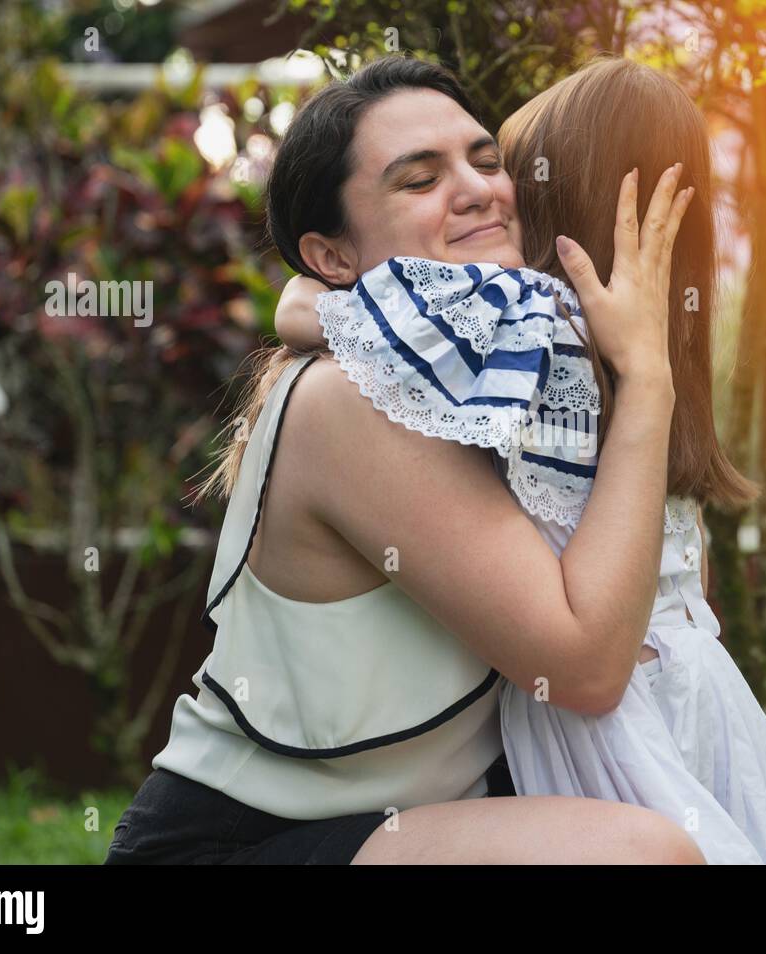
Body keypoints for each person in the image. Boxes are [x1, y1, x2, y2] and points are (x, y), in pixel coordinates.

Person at [104, 54, 703, 865]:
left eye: (487, 161)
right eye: (418, 180)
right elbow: (586, 670)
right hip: (245, 844)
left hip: (413, 824)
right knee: (637, 856)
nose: (478, 189)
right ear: (332, 255)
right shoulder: (344, 403)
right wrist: (650, 383)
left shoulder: (507, 358)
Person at [276, 56, 766, 864]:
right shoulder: (639, 339)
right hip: (701, 689)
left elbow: (341, 312)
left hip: (605, 719)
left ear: (550, 202)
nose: (490, 195)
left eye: (500, 168)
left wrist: (304, 295)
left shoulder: (530, 323)